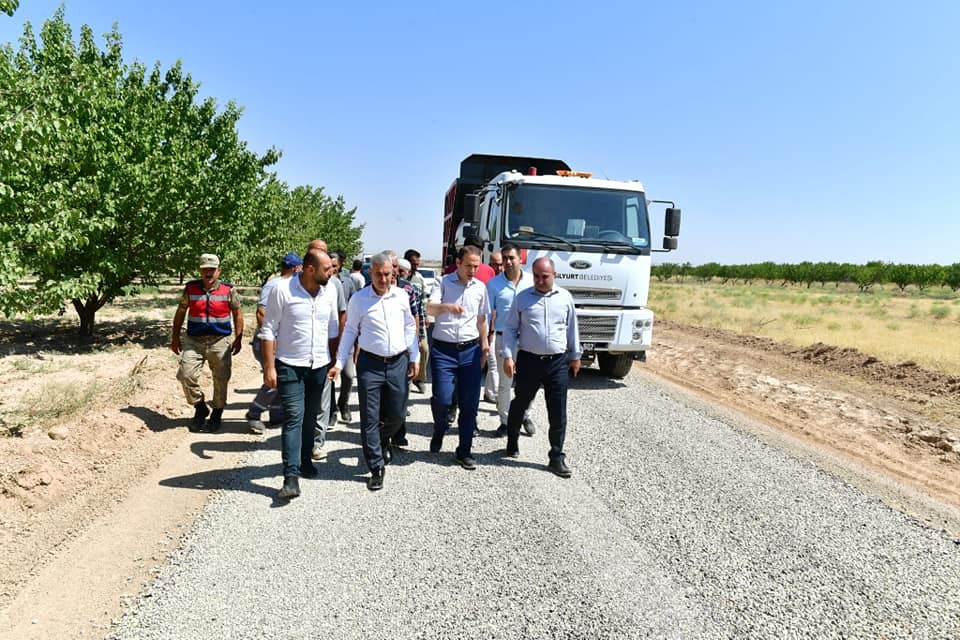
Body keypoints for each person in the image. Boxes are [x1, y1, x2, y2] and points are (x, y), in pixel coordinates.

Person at [328, 253, 418, 491]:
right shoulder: (359, 300)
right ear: (371, 273)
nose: (383, 278)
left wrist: (414, 356)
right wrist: (338, 362)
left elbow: (410, 326)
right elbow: (349, 332)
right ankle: (376, 467)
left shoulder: (401, 296)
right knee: (369, 417)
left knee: (398, 414)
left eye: (387, 274)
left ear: (394, 273)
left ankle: (381, 440)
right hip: (370, 365)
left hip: (398, 362)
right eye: (378, 274)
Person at [259, 249, 340, 499]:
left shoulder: (331, 291)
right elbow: (268, 330)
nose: (332, 272)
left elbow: (333, 329)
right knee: (294, 417)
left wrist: (334, 362)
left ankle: (305, 461)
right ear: (309, 269)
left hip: (319, 366)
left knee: (311, 416)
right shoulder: (282, 290)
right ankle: (290, 476)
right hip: (290, 364)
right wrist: (269, 367)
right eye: (327, 269)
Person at [500, 257, 581, 478]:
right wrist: (508, 356)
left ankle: (556, 457)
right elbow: (509, 329)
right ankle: (512, 438)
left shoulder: (565, 298)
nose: (540, 280)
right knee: (520, 404)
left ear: (554, 275)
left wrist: (575, 356)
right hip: (529, 361)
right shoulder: (522, 298)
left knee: (558, 411)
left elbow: (572, 328)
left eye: (545, 276)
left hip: (557, 362)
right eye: (536, 276)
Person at [427, 245, 490, 470]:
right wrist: (447, 307)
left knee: (469, 404)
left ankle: (464, 450)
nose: (473, 270)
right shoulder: (442, 282)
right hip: (444, 351)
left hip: (470, 351)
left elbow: (481, 319)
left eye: (476, 266)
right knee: (443, 399)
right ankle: (440, 427)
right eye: (468, 265)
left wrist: (485, 345)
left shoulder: (481, 288)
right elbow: (430, 309)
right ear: (458, 264)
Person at [171, 254, 244, 432]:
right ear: (200, 271)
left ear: (218, 271)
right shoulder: (191, 289)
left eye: (212, 269)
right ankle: (200, 407)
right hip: (194, 341)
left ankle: (217, 413)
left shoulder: (228, 290)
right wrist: (175, 337)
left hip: (220, 341)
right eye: (205, 269)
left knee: (221, 379)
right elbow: (181, 311)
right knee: (185, 374)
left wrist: (238, 338)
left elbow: (238, 313)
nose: (208, 273)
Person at [246, 252, 302, 434]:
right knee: (274, 380)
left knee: (282, 379)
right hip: (268, 342)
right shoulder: (275, 285)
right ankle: (254, 413)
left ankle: (277, 415)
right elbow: (261, 313)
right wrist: (272, 340)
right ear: (296, 268)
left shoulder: (293, 285)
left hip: (281, 341)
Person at [487, 244, 536, 436]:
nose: (508, 262)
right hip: (504, 339)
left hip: (528, 341)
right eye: (505, 258)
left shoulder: (532, 281)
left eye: (511, 258)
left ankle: (525, 416)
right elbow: (488, 312)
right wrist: (487, 339)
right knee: (505, 382)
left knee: (528, 382)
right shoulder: (493, 284)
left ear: (520, 259)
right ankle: (506, 421)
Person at [304, 240, 347, 462]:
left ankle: (317, 442)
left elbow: (341, 316)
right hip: (300, 356)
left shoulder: (335, 285)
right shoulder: (295, 282)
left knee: (322, 401)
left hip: (325, 352)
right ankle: (302, 442)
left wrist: (338, 351)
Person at [404, 248, 430, 394]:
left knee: (424, 348)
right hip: (403, 322)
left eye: (417, 264)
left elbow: (423, 300)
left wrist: (425, 316)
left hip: (417, 319)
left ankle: (419, 379)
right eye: (413, 264)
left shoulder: (419, 279)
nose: (416, 267)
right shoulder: (400, 280)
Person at [482, 251, 505, 403]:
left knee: (495, 365)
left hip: (500, 330)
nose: (498, 267)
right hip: (488, 330)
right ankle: (496, 395)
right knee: (493, 364)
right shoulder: (487, 283)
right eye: (495, 264)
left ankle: (489, 392)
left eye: (500, 264)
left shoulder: (504, 282)